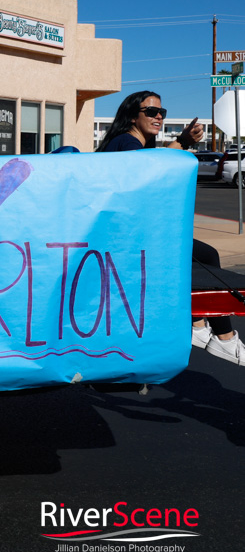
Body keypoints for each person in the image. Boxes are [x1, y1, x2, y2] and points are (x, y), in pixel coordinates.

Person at [97, 90, 245, 364]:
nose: (158, 116)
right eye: (151, 111)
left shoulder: (134, 144)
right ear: (132, 115)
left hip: (140, 235)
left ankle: (200, 327)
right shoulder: (126, 142)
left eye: (161, 112)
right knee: (203, 260)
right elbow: (149, 168)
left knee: (205, 257)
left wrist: (182, 142)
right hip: (133, 241)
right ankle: (222, 338)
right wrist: (182, 141)